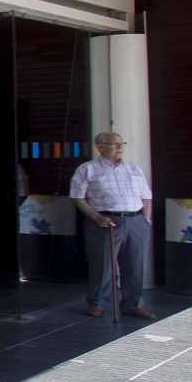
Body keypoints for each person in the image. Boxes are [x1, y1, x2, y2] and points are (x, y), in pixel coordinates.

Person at [70, 131, 154, 319]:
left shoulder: (134, 168)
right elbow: (77, 196)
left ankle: (132, 305)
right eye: (115, 144)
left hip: (136, 221)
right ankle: (97, 303)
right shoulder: (88, 168)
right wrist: (96, 217)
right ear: (100, 147)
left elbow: (146, 196)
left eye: (122, 143)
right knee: (102, 265)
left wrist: (145, 220)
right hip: (105, 221)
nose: (120, 147)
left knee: (134, 266)